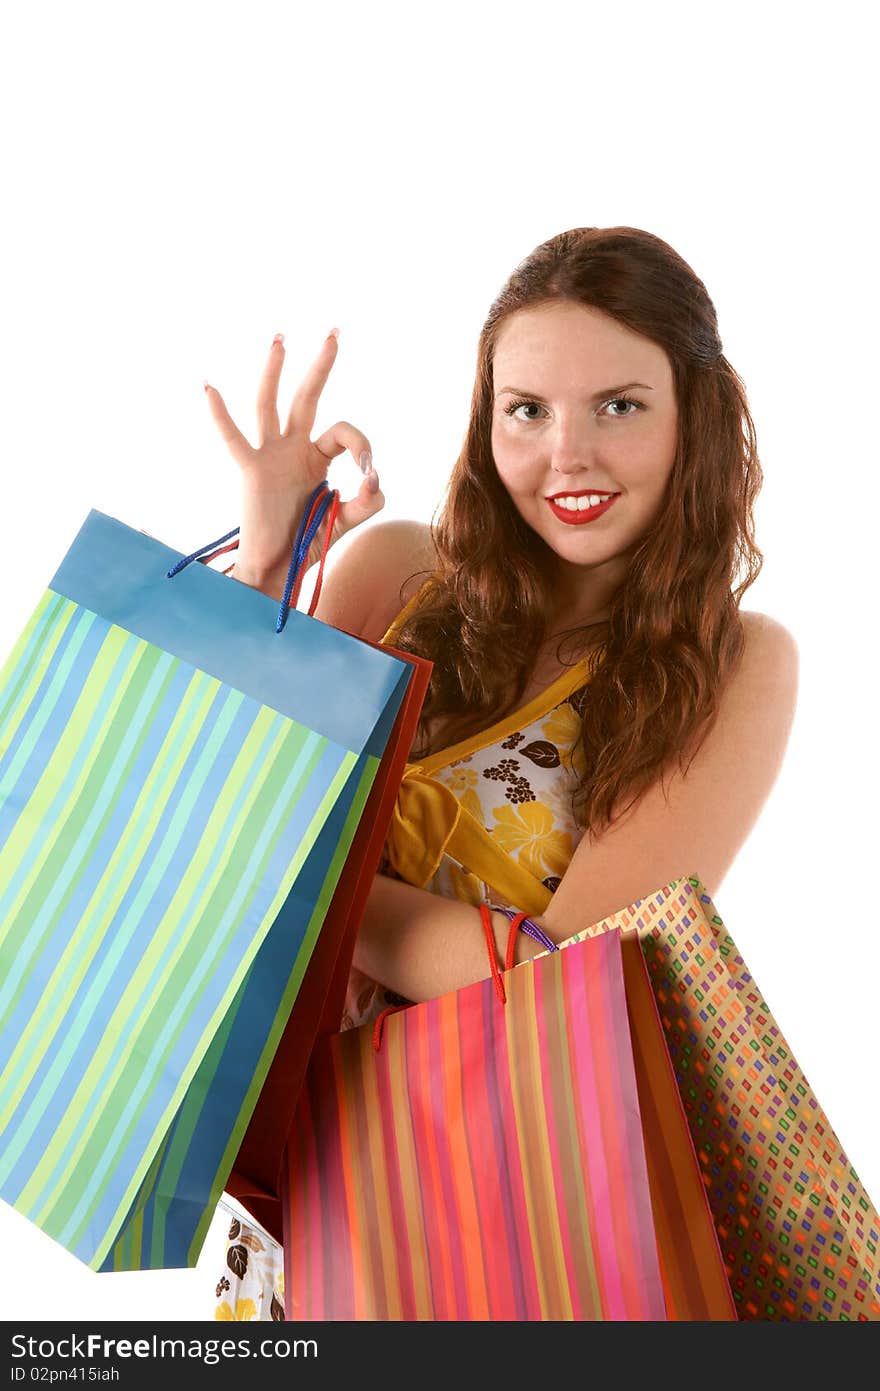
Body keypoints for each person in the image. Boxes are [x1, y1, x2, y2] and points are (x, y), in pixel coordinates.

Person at [209, 226, 799, 1321]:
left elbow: (570, 988)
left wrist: (316, 884)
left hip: (502, 1225)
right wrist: (263, 559)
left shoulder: (733, 665)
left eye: (617, 405)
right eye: (527, 409)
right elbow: (213, 824)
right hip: (294, 1204)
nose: (565, 454)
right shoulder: (393, 575)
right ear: (487, 424)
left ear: (695, 419)